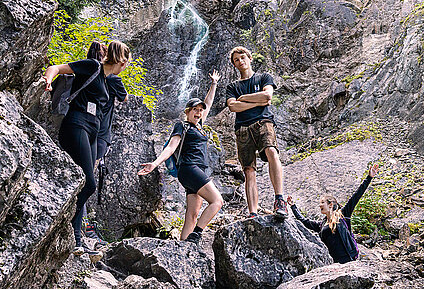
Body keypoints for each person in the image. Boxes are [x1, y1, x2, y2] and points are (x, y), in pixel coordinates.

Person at [43, 40, 131, 256]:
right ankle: (62, 218)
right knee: (88, 184)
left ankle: (77, 240)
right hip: (76, 124)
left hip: (92, 131)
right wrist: (48, 79)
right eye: (127, 61)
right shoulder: (93, 66)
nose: (127, 65)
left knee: (85, 184)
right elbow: (57, 68)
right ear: (120, 59)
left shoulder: (106, 79)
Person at [138, 70, 224, 245]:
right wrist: (154, 164)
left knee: (192, 215)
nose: (198, 113)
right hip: (190, 168)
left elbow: (208, 102)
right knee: (217, 201)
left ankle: (182, 247)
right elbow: (171, 147)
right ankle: (197, 234)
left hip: (197, 171)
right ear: (187, 112)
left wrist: (214, 84)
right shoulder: (182, 126)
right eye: (195, 110)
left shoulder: (199, 126)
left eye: (200, 111)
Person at [225, 46, 287, 218]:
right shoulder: (232, 87)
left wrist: (244, 99)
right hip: (243, 128)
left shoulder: (264, 77)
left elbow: (267, 97)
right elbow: (232, 106)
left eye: (242, 57)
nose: (240, 61)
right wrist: (257, 101)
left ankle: (279, 200)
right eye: (236, 60)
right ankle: (252, 212)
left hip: (263, 122)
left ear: (250, 58)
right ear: (234, 65)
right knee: (248, 169)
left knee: (272, 151)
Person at [82, 41, 129, 249]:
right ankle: (83, 223)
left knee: (84, 173)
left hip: (84, 127)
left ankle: (81, 220)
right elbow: (124, 98)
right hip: (100, 134)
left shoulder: (92, 74)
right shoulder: (113, 79)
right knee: (87, 175)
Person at [287, 164, 380, 264]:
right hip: (334, 264)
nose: (319, 205)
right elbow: (304, 221)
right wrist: (293, 206)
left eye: (322, 202)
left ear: (330, 204)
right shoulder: (321, 225)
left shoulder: (343, 215)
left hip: (349, 260)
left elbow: (356, 196)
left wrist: (369, 177)